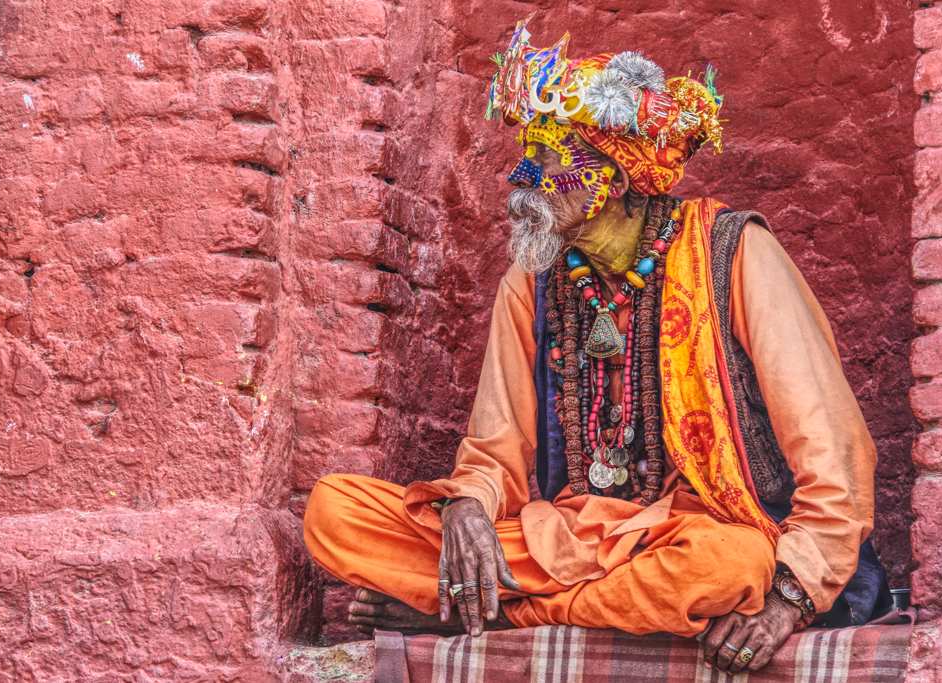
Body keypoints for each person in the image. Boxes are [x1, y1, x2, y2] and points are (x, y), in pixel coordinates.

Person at [303, 15, 889, 676]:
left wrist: (788, 596)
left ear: (611, 174)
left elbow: (835, 452)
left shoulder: (735, 253)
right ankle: (522, 598)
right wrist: (469, 502)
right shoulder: (531, 281)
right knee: (334, 512)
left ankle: (503, 613)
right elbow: (496, 451)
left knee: (730, 566)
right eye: (526, 153)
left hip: (697, 537)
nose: (520, 175)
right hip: (561, 542)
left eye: (547, 156)